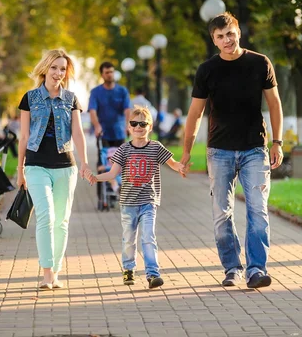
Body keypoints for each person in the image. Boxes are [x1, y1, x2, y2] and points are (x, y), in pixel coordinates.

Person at [180, 12, 284, 289]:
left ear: (239, 32)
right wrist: (187, 151)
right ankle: (232, 268)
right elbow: (195, 113)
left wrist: (277, 142)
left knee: (258, 211)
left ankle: (256, 269)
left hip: (254, 149)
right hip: (219, 151)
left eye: (230, 33)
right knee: (221, 213)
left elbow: (274, 104)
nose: (227, 40)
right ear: (214, 40)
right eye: (220, 36)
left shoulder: (260, 63)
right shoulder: (207, 70)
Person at [87, 106, 187, 289]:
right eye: (134, 123)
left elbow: (171, 163)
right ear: (129, 127)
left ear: (150, 127)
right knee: (129, 239)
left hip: (149, 201)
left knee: (148, 236)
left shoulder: (156, 147)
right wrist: (96, 177)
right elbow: (112, 173)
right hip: (128, 203)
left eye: (143, 123)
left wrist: (180, 167)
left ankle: (153, 274)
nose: (138, 127)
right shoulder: (124, 149)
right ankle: (128, 269)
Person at [17, 49, 91, 291]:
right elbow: (24, 136)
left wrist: (85, 162)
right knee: (46, 217)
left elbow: (78, 133)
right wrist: (20, 169)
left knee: (61, 222)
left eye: (62, 69)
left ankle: (56, 272)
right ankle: (47, 273)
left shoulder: (71, 99)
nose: (58, 73)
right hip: (36, 165)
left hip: (65, 167)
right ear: (45, 68)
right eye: (54, 67)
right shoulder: (29, 98)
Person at [88, 61, 132, 147]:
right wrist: (97, 126)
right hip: (103, 132)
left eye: (111, 72)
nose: (110, 74)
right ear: (102, 75)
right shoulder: (95, 92)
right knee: (104, 159)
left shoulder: (122, 91)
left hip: (120, 132)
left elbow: (127, 109)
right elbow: (92, 110)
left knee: (121, 159)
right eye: (107, 72)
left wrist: (128, 125)